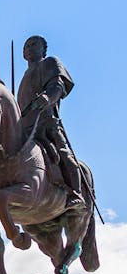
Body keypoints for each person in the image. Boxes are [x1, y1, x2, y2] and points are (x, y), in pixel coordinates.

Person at [17, 35, 85, 209]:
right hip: (24, 128)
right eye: (26, 46)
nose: (29, 47)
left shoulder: (49, 63)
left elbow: (57, 86)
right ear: (23, 54)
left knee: (63, 153)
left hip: (46, 123)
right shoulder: (24, 77)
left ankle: (76, 193)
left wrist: (47, 97)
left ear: (43, 49)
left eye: (34, 44)